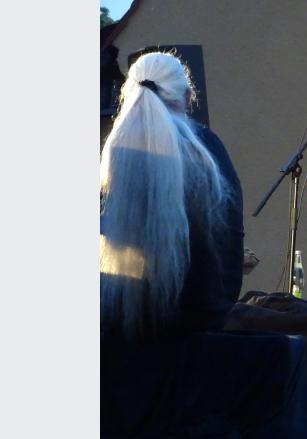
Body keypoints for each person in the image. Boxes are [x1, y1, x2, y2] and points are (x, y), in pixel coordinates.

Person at [100, 51, 244, 342]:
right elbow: (230, 235)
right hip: (197, 323)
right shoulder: (204, 147)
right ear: (188, 97)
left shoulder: (112, 151)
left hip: (119, 321)